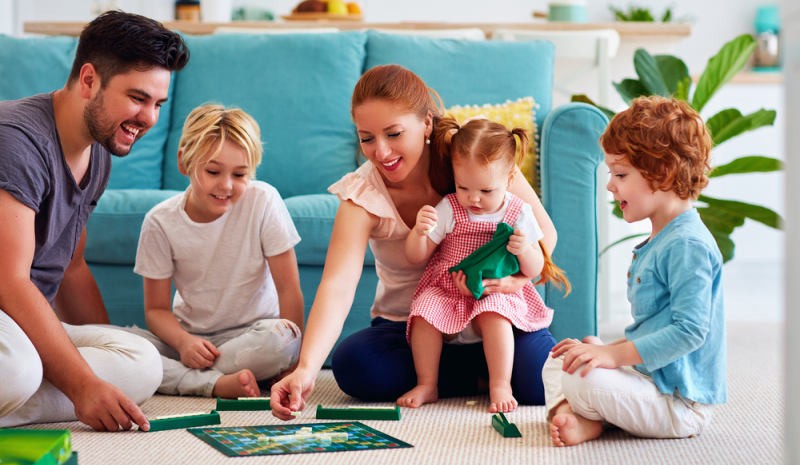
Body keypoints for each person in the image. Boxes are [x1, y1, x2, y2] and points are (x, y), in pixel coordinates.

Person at [271, 64, 560, 420]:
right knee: (354, 365)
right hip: (413, 325)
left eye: (393, 134)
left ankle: (488, 370)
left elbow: (544, 233)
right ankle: (475, 376)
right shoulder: (362, 194)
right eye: (366, 138)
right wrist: (306, 369)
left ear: (426, 123)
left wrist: (515, 281)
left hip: (493, 312)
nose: (381, 152)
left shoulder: (472, 153)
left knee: (541, 383)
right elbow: (338, 287)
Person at [0, 11, 189, 431]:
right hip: (6, 314)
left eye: (158, 104)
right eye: (138, 98)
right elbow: (8, 281)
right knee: (18, 370)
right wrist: (83, 385)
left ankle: (17, 400)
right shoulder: (15, 140)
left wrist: (104, 357)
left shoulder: (98, 152)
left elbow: (72, 266)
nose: (150, 118)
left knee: (143, 362)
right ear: (89, 80)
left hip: (20, 329)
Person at [544, 96, 726, 447]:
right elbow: (652, 328)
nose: (610, 185)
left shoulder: (687, 244)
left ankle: (582, 413)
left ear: (663, 172)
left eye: (621, 174)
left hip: (678, 402)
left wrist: (611, 356)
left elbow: (689, 332)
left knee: (582, 377)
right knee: (560, 359)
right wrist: (605, 351)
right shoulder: (663, 237)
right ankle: (580, 416)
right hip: (649, 380)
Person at [123, 104, 303, 399]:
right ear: (184, 162)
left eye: (240, 174)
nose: (226, 185)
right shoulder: (160, 221)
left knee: (284, 338)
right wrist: (184, 342)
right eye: (213, 171)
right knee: (117, 344)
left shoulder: (264, 201)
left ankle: (189, 379)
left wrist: (294, 364)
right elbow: (156, 311)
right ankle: (216, 382)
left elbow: (289, 289)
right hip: (190, 341)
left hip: (254, 338)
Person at [400, 116, 570, 413]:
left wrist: (524, 251)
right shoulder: (450, 206)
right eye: (463, 187)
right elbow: (416, 256)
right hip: (450, 290)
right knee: (424, 312)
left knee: (495, 316)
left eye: (486, 191)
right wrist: (418, 232)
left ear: (509, 179)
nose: (473, 199)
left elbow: (534, 268)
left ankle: (499, 384)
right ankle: (428, 383)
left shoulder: (519, 212)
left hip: (495, 292)